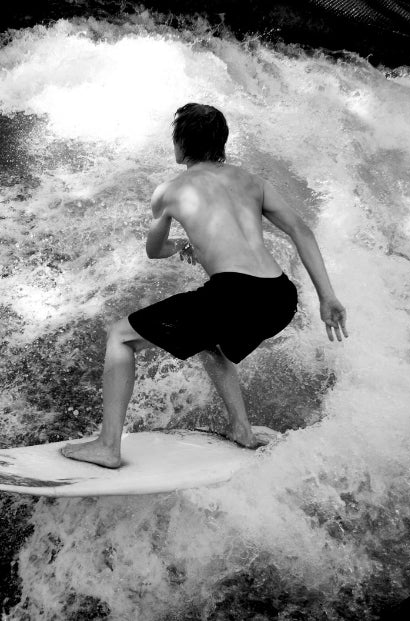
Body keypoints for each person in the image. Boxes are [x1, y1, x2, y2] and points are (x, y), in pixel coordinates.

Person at [61, 103, 348, 468]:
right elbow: (300, 231)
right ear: (221, 143)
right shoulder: (253, 182)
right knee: (212, 343)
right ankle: (241, 428)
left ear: (181, 144)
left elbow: (154, 251)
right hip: (279, 296)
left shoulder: (170, 191)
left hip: (232, 292)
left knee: (121, 336)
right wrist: (327, 296)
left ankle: (107, 446)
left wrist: (179, 244)